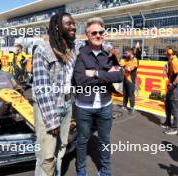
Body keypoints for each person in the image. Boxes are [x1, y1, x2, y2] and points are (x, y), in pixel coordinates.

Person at [73, 17, 123, 176]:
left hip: (105, 105)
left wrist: (94, 73)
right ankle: (81, 171)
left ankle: (105, 171)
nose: (98, 35)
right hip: (84, 107)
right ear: (87, 35)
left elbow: (119, 76)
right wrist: (106, 75)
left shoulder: (110, 53)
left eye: (101, 32)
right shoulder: (79, 54)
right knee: (82, 141)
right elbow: (80, 81)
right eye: (94, 32)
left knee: (105, 141)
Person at [32, 12, 77, 176]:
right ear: (57, 26)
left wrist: (109, 48)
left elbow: (94, 43)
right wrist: (52, 121)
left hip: (66, 105)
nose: (73, 26)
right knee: (47, 156)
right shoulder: (42, 50)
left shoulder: (72, 48)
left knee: (61, 149)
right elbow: (41, 89)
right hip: (49, 108)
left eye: (73, 23)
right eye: (68, 24)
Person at [161, 48, 178, 135]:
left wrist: (173, 84)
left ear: (171, 54)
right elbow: (167, 71)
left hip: (175, 86)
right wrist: (165, 70)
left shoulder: (175, 61)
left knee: (174, 107)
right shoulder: (170, 62)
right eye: (166, 53)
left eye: (168, 53)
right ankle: (168, 122)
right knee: (167, 104)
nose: (166, 55)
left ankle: (174, 128)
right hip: (172, 86)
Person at [119, 47, 139, 114]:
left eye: (126, 53)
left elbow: (129, 69)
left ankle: (132, 107)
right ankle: (124, 105)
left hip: (131, 79)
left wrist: (124, 67)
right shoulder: (125, 59)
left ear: (130, 53)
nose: (125, 54)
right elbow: (120, 64)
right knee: (125, 93)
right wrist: (124, 67)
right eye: (124, 53)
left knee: (131, 94)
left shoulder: (135, 60)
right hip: (125, 78)